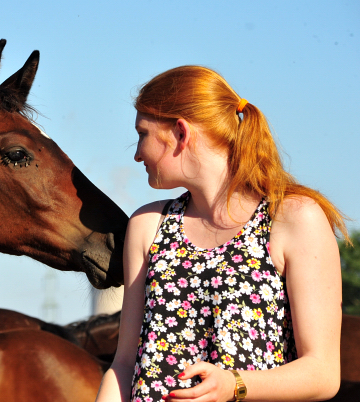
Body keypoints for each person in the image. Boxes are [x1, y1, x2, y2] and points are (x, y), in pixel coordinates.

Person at [96, 66, 347, 402]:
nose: (137, 153)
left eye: (142, 133)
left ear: (181, 134)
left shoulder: (294, 219)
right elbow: (125, 364)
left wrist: (235, 385)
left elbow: (323, 373)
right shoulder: (148, 224)